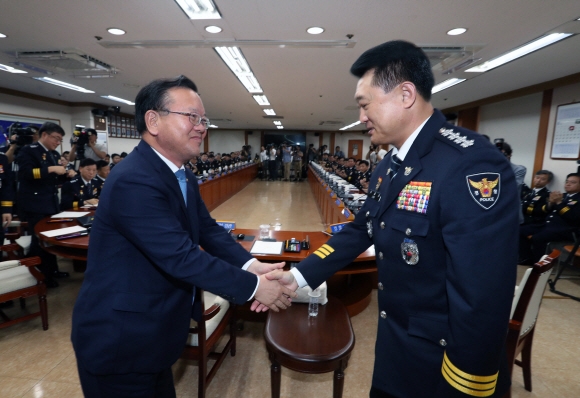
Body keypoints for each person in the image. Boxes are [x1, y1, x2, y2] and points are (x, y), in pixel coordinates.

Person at [268, 40, 519, 397]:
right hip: (396, 345)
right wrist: (298, 277)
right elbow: (361, 230)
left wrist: (468, 383)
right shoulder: (390, 165)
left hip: (444, 363)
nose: (361, 116)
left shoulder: (470, 165)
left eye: (365, 104)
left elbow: (483, 294)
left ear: (405, 95)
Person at [71, 75, 295, 398]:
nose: (201, 127)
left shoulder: (181, 173)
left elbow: (207, 230)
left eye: (203, 119)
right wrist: (257, 289)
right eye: (191, 117)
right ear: (153, 121)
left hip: (156, 339)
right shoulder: (133, 179)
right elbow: (182, 257)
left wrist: (251, 266)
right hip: (120, 345)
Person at [17, 122, 76, 287]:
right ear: (45, 135)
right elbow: (25, 174)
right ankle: (41, 275)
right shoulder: (29, 151)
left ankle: (52, 270)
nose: (58, 142)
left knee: (49, 239)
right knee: (39, 241)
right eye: (56, 138)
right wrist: (51, 169)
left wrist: (66, 175)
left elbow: (53, 180)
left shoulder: (52, 154)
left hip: (49, 203)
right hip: (34, 204)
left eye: (60, 140)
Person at [519, 173, 580, 264]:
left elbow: (573, 217)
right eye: (567, 182)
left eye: (572, 182)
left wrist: (559, 203)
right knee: (520, 230)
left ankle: (539, 264)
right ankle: (526, 258)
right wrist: (550, 203)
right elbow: (545, 211)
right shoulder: (562, 195)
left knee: (538, 238)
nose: (568, 184)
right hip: (548, 225)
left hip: (567, 230)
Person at [498, 141, 527, 224]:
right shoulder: (487, 169)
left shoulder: (519, 169)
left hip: (510, 211)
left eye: (503, 154)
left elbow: (512, 187)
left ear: (510, 154)